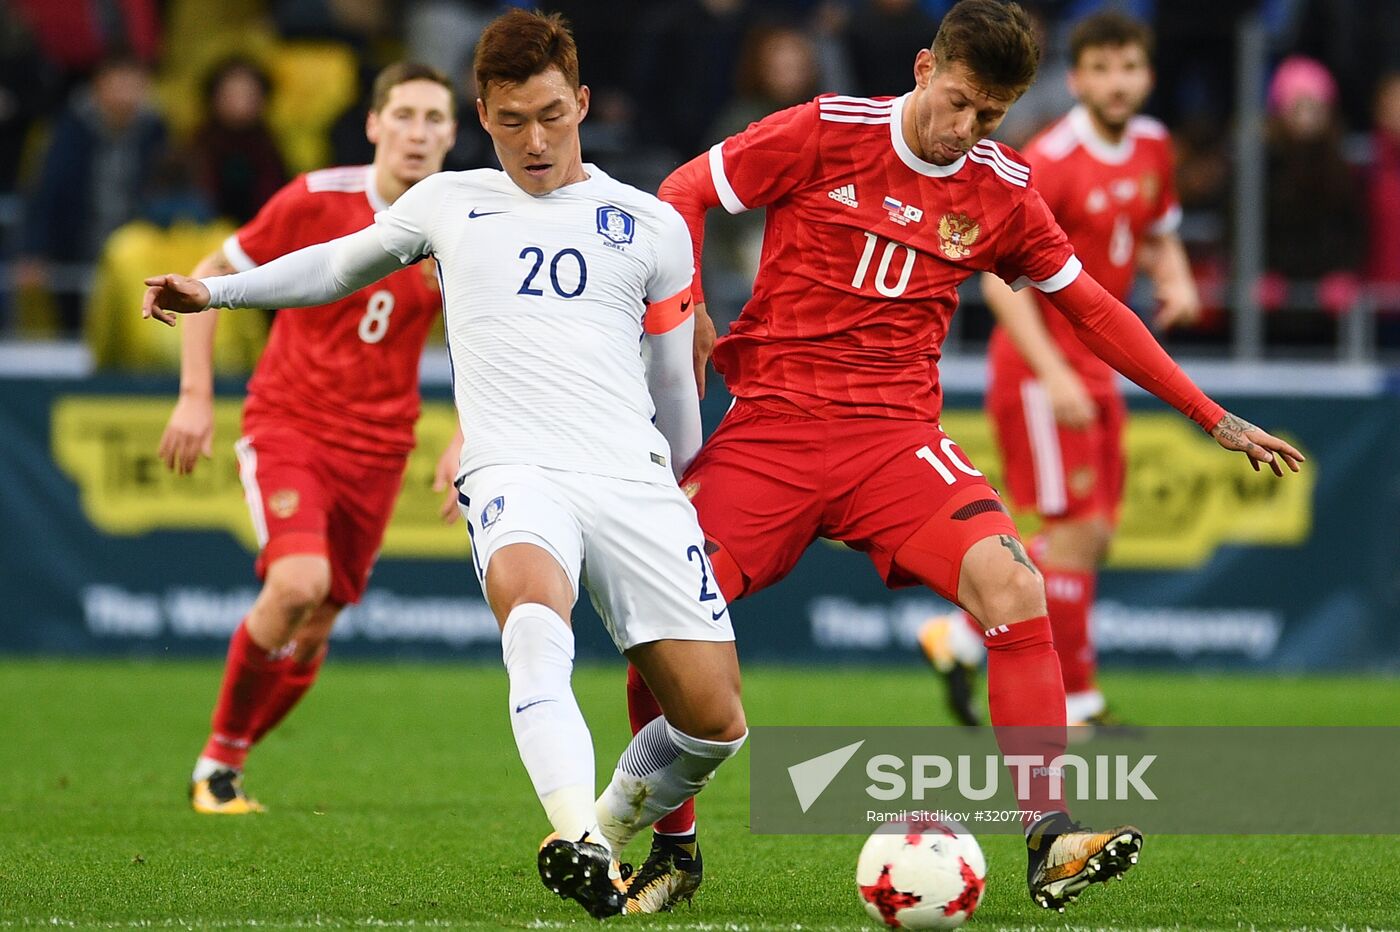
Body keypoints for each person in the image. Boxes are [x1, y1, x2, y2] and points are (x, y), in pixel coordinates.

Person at [622, 0, 1304, 914]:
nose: (967, 131)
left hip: (897, 442)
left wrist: (1209, 414)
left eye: (992, 115)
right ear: (921, 68)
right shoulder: (823, 130)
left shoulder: (1001, 189)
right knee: (664, 635)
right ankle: (676, 850)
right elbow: (683, 193)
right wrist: (691, 302)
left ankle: (1051, 839)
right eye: (959, 104)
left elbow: (1094, 308)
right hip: (772, 431)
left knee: (1016, 587)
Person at [143, 10, 748, 920]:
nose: (534, 141)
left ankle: (609, 823)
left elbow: (672, 380)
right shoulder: (448, 202)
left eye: (551, 115)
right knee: (533, 623)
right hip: (516, 471)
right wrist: (215, 291)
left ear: (581, 102)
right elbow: (331, 268)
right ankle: (575, 833)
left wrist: (692, 485)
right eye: (511, 122)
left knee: (715, 724)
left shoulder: (654, 227)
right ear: (483, 114)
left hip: (634, 480)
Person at [158, 61, 462, 816]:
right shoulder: (315, 199)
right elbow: (206, 275)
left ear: (455, 134)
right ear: (373, 125)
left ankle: (228, 762)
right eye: (404, 116)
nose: (418, 133)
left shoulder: (461, 223)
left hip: (382, 446)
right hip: (291, 422)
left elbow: (488, 340)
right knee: (298, 584)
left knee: (320, 617)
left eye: (434, 119)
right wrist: (195, 397)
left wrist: (471, 433)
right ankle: (216, 764)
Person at [918, 12, 1202, 730]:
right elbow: (994, 285)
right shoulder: (1049, 157)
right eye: (1101, 69)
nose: (1117, 83)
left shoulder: (1154, 146)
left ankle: (958, 636)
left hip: (1100, 361)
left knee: (1097, 533)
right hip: (1045, 366)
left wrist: (1177, 279)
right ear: (1076, 80)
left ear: (1148, 75)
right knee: (1074, 531)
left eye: (1129, 68)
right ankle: (1077, 701)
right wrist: (1055, 375)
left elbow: (1157, 231)